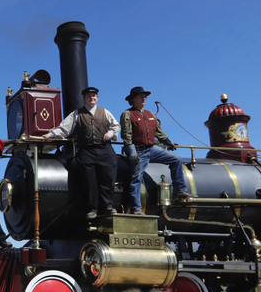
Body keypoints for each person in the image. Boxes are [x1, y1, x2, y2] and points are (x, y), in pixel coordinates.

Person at [44, 86, 120, 219]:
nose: (92, 98)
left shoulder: (105, 112)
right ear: (84, 99)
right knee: (90, 181)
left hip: (105, 150)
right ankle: (92, 209)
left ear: (97, 98)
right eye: (89, 96)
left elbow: (116, 125)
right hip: (86, 151)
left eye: (94, 95)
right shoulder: (76, 114)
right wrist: (50, 134)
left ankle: (108, 206)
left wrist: (110, 133)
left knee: (108, 179)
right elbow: (64, 129)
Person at [120, 86, 195, 214]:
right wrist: (131, 151)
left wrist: (168, 142)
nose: (144, 98)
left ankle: (179, 190)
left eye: (145, 97)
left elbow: (159, 132)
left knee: (176, 159)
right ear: (133, 99)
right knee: (136, 178)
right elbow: (126, 134)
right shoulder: (127, 114)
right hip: (138, 150)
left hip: (152, 148)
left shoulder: (150, 114)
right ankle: (136, 208)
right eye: (140, 97)